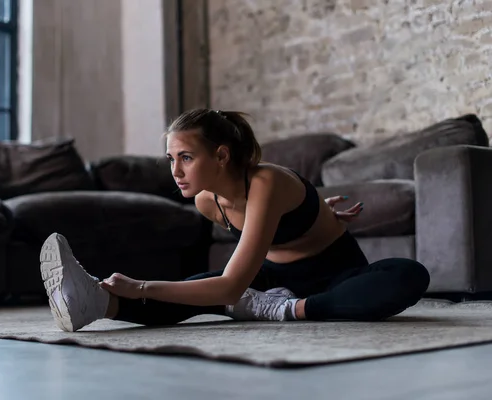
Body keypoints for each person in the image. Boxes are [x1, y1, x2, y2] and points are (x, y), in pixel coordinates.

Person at [40, 109, 430, 332]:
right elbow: (230, 281)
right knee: (192, 289)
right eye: (170, 159)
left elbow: (230, 287)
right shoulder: (207, 203)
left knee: (407, 275)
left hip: (334, 276)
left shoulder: (267, 181)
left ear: (222, 156)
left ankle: (288, 309)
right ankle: (96, 301)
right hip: (269, 281)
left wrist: (139, 284)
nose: (175, 171)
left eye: (186, 157)